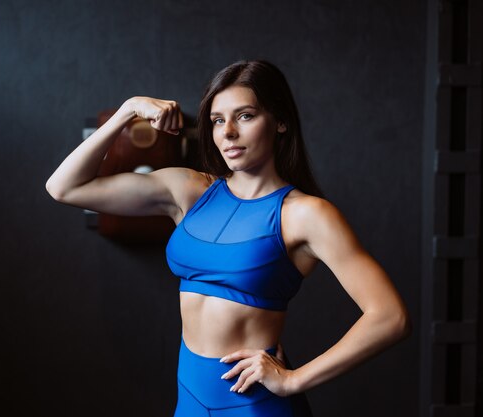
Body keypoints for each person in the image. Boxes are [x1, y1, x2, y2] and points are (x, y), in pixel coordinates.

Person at [46, 60, 411, 417]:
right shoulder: (188, 190)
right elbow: (64, 187)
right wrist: (126, 112)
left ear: (280, 121)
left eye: (245, 116)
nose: (228, 133)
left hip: (255, 404)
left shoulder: (305, 214)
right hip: (189, 399)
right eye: (218, 120)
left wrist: (294, 380)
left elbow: (390, 316)